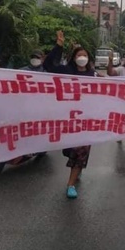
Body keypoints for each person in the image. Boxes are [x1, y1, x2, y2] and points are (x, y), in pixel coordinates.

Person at [44, 30, 97, 199]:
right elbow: (49, 66)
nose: (82, 57)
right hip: (67, 118)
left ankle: (70, 184)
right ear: (74, 58)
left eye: (85, 55)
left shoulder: (92, 75)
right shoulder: (66, 71)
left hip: (86, 120)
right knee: (69, 150)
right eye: (79, 55)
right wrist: (59, 45)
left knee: (81, 151)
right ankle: (77, 168)